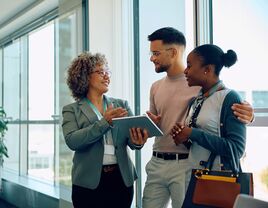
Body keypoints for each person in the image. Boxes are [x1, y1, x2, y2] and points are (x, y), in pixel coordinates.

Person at [142, 27, 254, 208]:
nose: (151, 58)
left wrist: (250, 115)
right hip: (168, 165)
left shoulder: (211, 90)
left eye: (156, 53)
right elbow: (191, 131)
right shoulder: (195, 96)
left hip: (196, 169)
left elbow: (234, 141)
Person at [61, 52, 148, 208]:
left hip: (121, 179)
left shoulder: (121, 104)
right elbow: (72, 141)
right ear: (84, 77)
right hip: (88, 182)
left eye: (108, 72)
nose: (107, 76)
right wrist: (104, 122)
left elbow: (132, 140)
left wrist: (138, 141)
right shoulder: (71, 110)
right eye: (101, 72)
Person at [170, 44, 246, 204]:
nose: (185, 71)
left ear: (208, 69)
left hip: (217, 182)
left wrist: (192, 133)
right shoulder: (197, 100)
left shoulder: (230, 98)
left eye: (190, 66)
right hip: (194, 179)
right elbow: (199, 144)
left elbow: (236, 149)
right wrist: (183, 138)